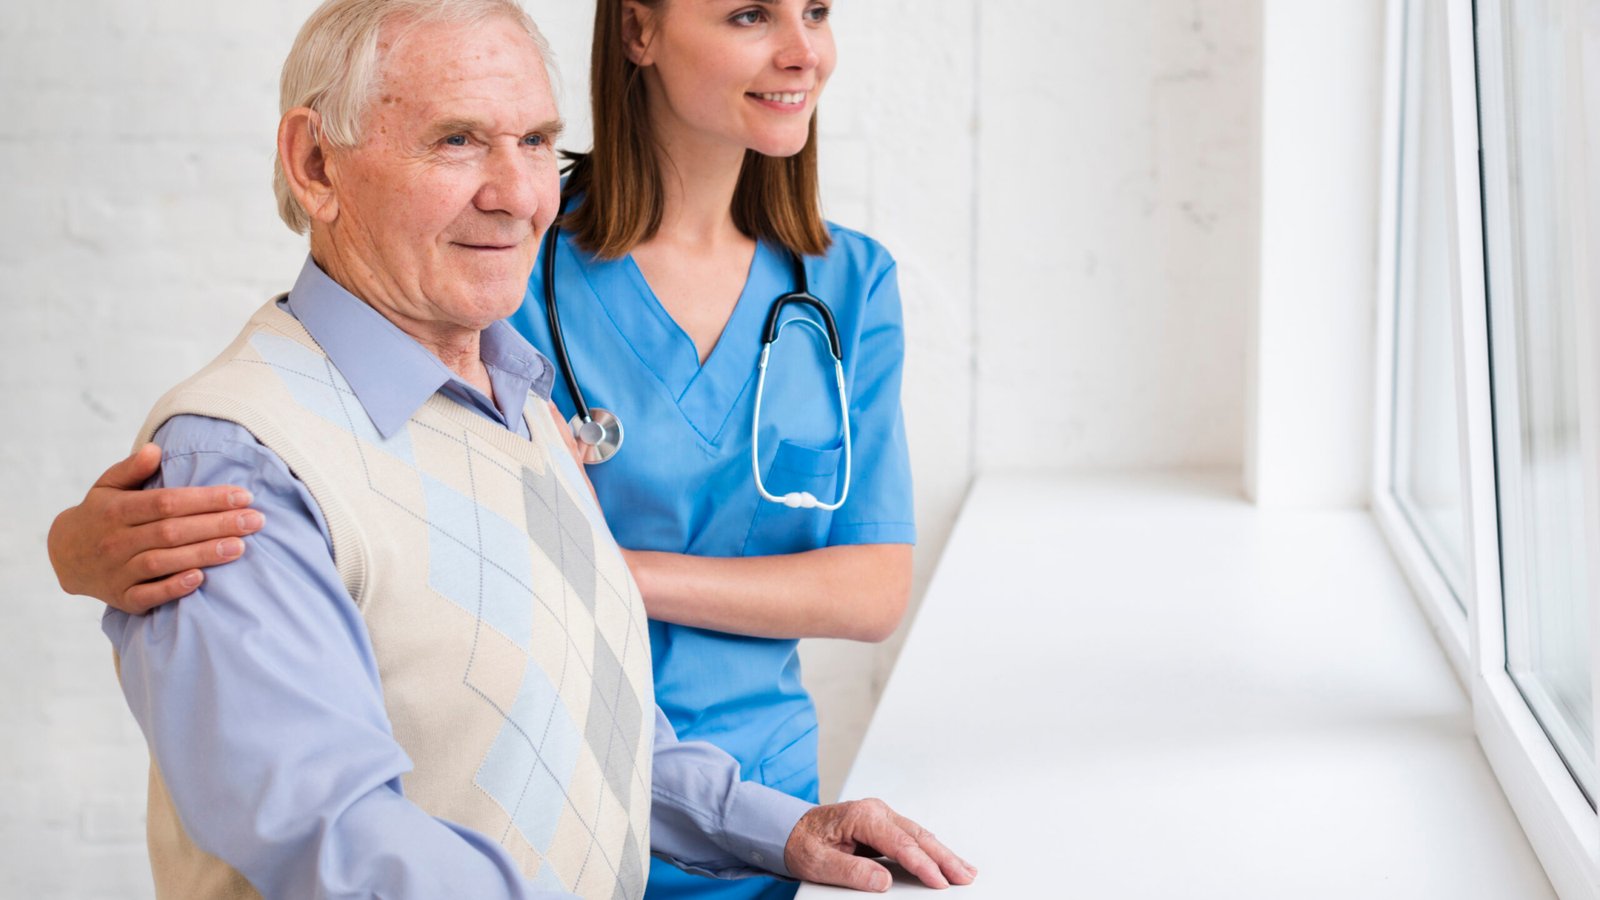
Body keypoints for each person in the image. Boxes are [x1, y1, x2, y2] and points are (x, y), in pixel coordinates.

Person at [72, 1, 973, 897]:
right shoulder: (238, 471)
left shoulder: (517, 397)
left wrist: (780, 829)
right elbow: (331, 845)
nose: (517, 194)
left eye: (538, 141)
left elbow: (574, 721)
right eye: (457, 140)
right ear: (316, 164)